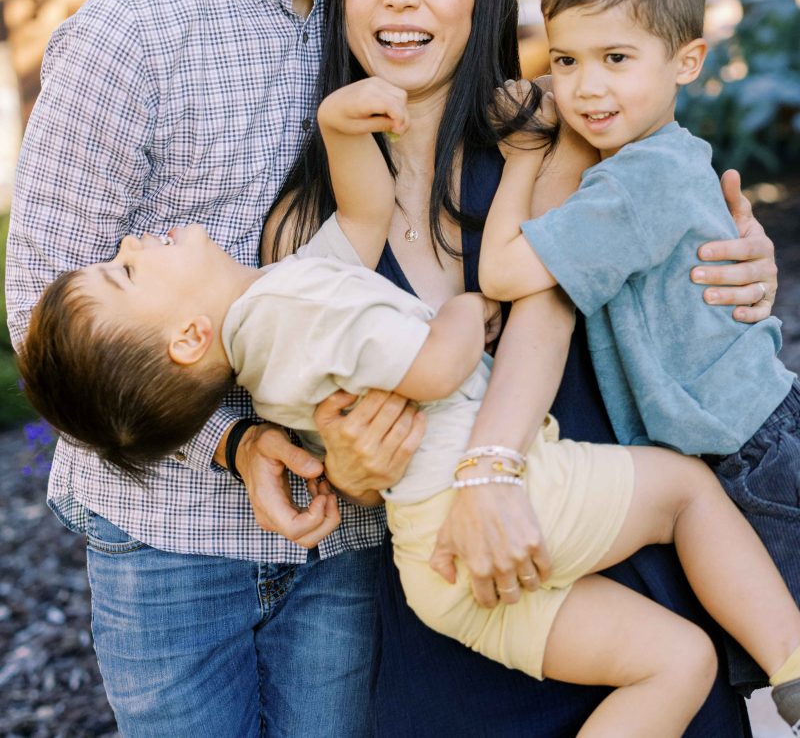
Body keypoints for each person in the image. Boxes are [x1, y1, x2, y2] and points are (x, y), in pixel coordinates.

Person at [16, 73, 800, 737]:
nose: (133, 242)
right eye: (125, 271)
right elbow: (434, 367)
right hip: (499, 498)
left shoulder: (276, 316)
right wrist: (465, 310)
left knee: (677, 660)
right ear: (189, 337)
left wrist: (339, 129)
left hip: (436, 567)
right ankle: (793, 659)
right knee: (686, 494)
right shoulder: (288, 311)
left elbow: (362, 217)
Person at [263, 0, 778, 736]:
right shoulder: (304, 222)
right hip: (466, 616)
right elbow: (334, 431)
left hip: (618, 576)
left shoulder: (553, 135)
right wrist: (347, 465)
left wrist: (490, 470)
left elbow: (551, 309)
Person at [4, 0, 415, 738]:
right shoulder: (126, 37)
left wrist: (706, 245)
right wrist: (232, 442)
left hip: (349, 529)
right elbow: (41, 306)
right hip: (169, 542)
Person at [479, 0, 800, 687]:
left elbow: (501, 271)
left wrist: (520, 159)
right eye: (566, 60)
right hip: (743, 434)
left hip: (744, 449)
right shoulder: (658, 156)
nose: (586, 87)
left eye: (616, 58)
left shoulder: (637, 181)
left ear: (687, 60)